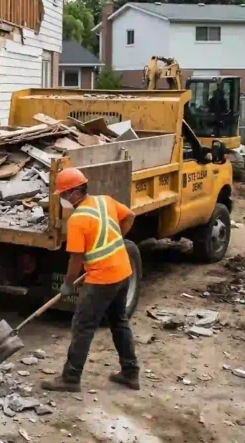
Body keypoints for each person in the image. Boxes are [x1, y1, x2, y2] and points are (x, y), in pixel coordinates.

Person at [41, 167, 139, 393]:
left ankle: (70, 378)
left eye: (65, 195)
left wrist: (68, 284)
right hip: (123, 270)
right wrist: (115, 240)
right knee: (119, 322)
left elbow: (76, 260)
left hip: (101, 279)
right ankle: (130, 372)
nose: (64, 199)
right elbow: (130, 216)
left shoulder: (78, 220)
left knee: (83, 326)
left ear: (76, 192)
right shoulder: (105, 201)